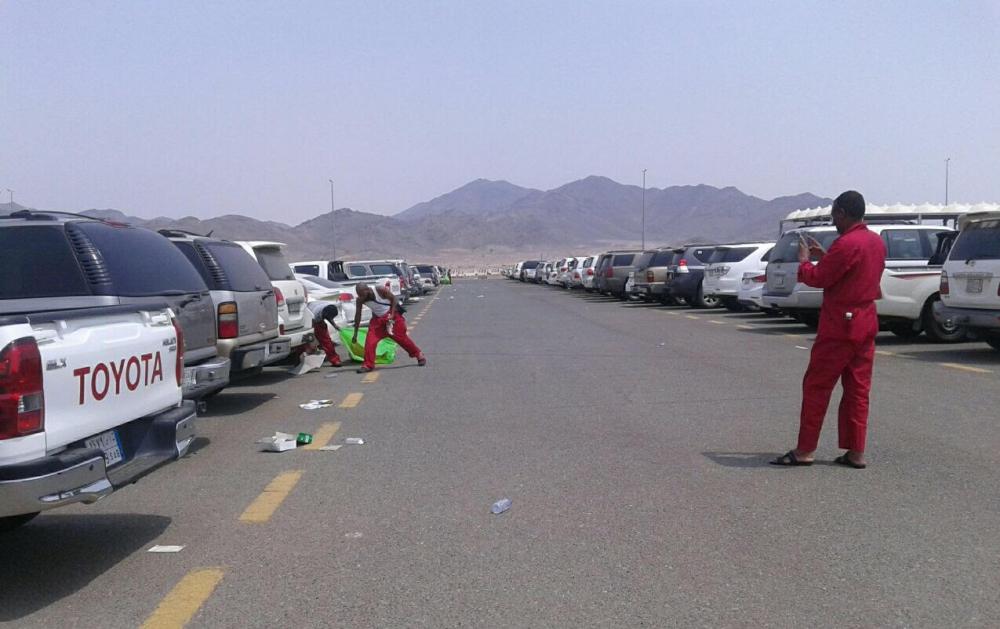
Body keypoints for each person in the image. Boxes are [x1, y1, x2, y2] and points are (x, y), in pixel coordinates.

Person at [771, 190, 886, 469]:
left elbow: (819, 278)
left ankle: (805, 450)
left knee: (818, 386)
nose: (834, 220)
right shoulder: (875, 242)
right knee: (858, 389)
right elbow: (850, 272)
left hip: (840, 325)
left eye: (835, 214)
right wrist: (826, 255)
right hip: (866, 319)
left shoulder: (847, 244)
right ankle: (856, 451)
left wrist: (804, 261)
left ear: (843, 213)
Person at [352, 281, 426, 373]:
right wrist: (355, 334)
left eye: (362, 294)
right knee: (370, 342)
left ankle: (418, 354)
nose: (361, 297)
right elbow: (358, 315)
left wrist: (392, 314)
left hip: (391, 316)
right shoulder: (360, 299)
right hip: (377, 321)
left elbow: (394, 299)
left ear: (367, 290)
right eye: (359, 295)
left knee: (401, 338)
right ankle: (368, 365)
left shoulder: (379, 290)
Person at [305, 301, 343, 367]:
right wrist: (312, 340)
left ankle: (335, 359)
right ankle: (305, 361)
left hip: (315, 310)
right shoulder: (315, 315)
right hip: (307, 317)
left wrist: (334, 325)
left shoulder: (330, 307)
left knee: (326, 341)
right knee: (307, 342)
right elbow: (310, 329)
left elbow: (329, 316)